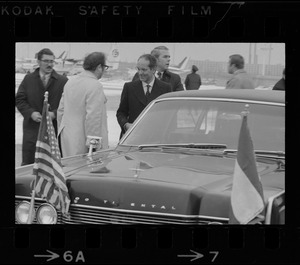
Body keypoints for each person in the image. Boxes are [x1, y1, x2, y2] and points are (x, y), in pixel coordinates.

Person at [16, 48, 68, 166]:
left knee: (52, 166)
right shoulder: (28, 79)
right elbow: (19, 100)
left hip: (53, 133)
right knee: (29, 166)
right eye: (46, 61)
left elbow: (68, 104)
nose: (49, 64)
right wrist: (31, 113)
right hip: (32, 131)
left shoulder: (63, 81)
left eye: (52, 61)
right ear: (38, 62)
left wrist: (54, 114)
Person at [57, 52, 109, 157]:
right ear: (99, 67)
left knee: (69, 169)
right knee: (85, 172)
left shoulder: (70, 82)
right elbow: (93, 117)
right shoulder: (95, 85)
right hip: (84, 142)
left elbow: (61, 111)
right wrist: (93, 145)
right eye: (105, 67)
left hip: (67, 137)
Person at [117, 54, 172, 138]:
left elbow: (169, 116)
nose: (140, 73)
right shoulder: (129, 87)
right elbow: (121, 112)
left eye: (144, 70)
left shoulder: (166, 88)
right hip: (133, 137)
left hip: (155, 139)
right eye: (138, 69)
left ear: (153, 69)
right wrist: (126, 125)